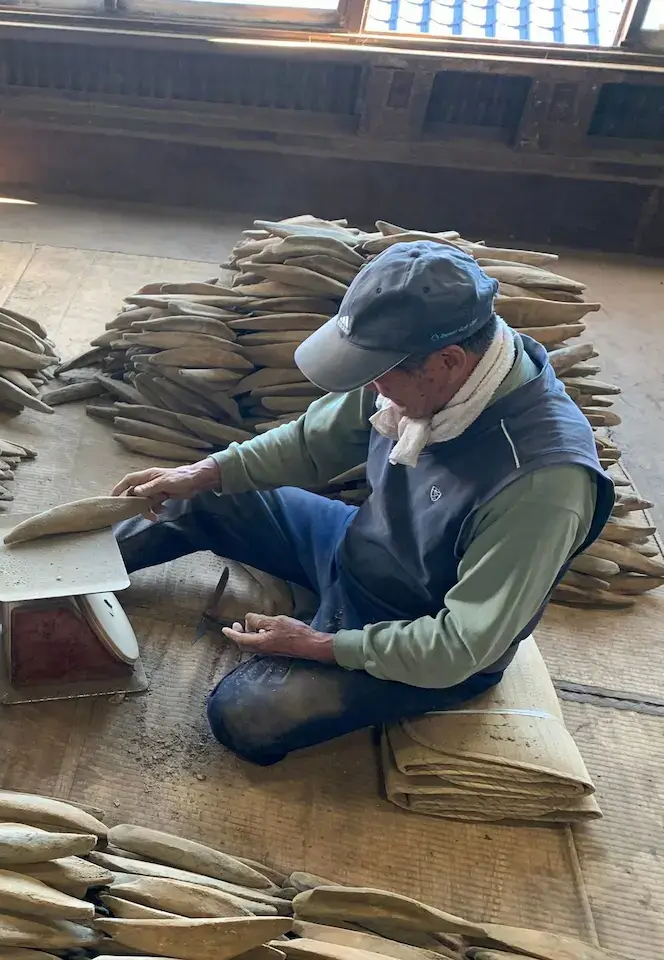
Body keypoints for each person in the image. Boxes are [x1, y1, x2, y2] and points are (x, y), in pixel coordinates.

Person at [111, 240, 613, 766]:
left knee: (247, 716)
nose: (372, 388)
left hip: (420, 627)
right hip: (356, 546)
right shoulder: (420, 371)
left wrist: (320, 645)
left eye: (381, 375)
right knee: (203, 494)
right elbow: (310, 443)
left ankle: (332, 642)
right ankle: (72, 574)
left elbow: (460, 647)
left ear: (447, 362)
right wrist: (202, 471)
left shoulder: (542, 484)